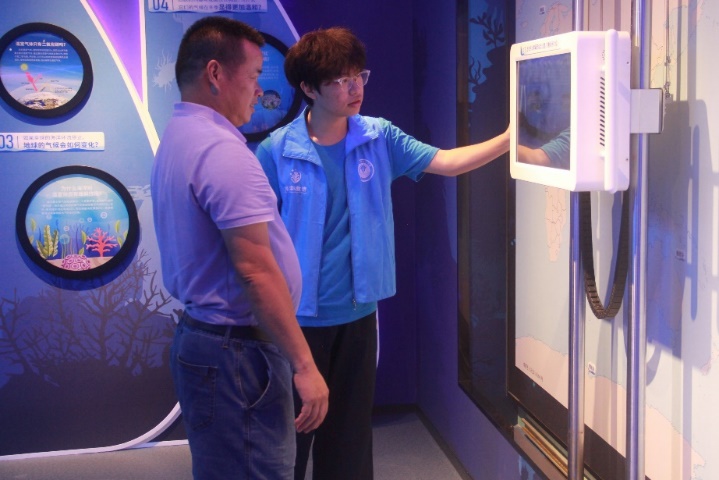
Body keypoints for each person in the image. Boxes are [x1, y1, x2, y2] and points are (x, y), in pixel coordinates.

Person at [255, 27, 509, 480]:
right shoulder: (276, 151)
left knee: (349, 443)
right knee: (286, 445)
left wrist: (510, 138)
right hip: (297, 320)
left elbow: (447, 162)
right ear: (309, 89)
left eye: (359, 76)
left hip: (357, 314)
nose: (355, 88)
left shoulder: (379, 137)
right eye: (341, 81)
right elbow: (256, 239)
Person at [151, 17, 328, 480]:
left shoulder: (181, 135)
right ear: (215, 73)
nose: (259, 90)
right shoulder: (222, 152)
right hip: (238, 357)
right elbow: (255, 270)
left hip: (212, 343)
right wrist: (304, 365)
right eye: (253, 76)